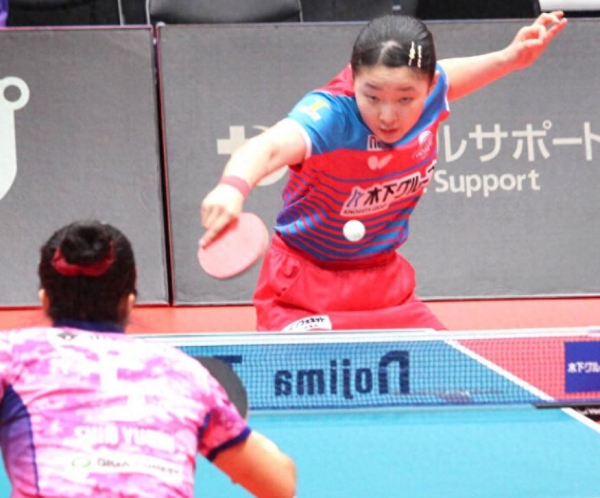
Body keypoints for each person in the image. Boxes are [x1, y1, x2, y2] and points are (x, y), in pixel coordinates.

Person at [200, 12, 567, 332]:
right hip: (304, 288)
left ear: (428, 87)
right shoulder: (332, 115)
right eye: (372, 96)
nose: (387, 115)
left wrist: (509, 58)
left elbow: (451, 77)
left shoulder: (434, 88)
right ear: (353, 78)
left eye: (405, 98)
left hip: (385, 287)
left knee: (448, 380)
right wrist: (232, 186)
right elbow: (268, 147)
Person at [0, 220, 296, 497]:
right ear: (129, 303)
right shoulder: (183, 372)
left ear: (45, 300)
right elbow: (280, 484)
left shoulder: (13, 354)